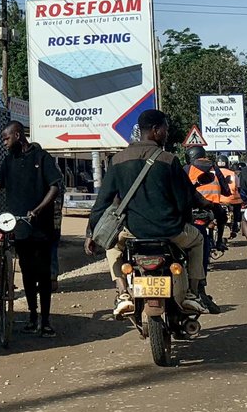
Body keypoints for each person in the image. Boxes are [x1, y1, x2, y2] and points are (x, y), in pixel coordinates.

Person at [84, 110, 208, 317]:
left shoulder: (117, 160)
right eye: (165, 130)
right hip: (169, 231)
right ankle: (191, 294)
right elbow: (184, 200)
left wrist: (91, 233)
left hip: (133, 231)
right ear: (155, 130)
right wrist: (184, 222)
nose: (167, 134)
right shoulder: (169, 160)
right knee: (197, 241)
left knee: (112, 247)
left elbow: (102, 203)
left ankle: (122, 292)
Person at [0, 121, 62, 337]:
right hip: (19, 229)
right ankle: (32, 317)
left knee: (42, 275)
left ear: (18, 134)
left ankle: (46, 320)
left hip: (41, 228)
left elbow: (54, 186)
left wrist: (39, 209)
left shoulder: (42, 157)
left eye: (6, 138)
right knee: (28, 274)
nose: (4, 143)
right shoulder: (9, 161)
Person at [186, 147, 232, 254]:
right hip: (212, 205)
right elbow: (225, 189)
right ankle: (219, 241)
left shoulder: (187, 168)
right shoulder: (214, 168)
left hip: (193, 206)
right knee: (222, 218)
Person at [217, 155, 244, 244]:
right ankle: (236, 224)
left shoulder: (213, 173)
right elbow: (238, 187)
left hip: (217, 200)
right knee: (238, 211)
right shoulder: (233, 174)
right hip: (232, 200)